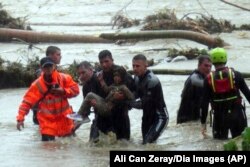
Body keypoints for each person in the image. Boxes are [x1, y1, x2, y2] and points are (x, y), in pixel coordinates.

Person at [16, 57, 79, 141]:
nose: (48, 69)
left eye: (50, 66)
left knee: (68, 148)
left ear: (54, 66)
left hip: (65, 120)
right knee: (48, 149)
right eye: (46, 67)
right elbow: (27, 102)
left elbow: (76, 91)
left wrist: (63, 91)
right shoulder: (37, 84)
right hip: (47, 122)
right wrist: (20, 119)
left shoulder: (64, 78)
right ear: (42, 68)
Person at [201, 47, 250, 139]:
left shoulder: (208, 79)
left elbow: (204, 104)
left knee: (218, 145)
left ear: (212, 61)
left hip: (219, 117)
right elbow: (248, 95)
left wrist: (203, 123)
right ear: (225, 59)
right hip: (237, 115)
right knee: (240, 143)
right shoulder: (237, 75)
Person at [68, 66, 134, 120]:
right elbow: (106, 89)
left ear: (122, 77)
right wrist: (101, 80)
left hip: (108, 109)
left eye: (118, 76)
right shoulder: (114, 85)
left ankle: (81, 115)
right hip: (105, 102)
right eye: (115, 76)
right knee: (90, 95)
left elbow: (132, 98)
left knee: (90, 95)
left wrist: (123, 97)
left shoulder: (123, 87)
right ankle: (82, 115)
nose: (116, 78)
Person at [96, 50, 135, 140]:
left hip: (120, 115)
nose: (104, 65)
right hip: (103, 115)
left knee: (123, 144)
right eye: (101, 62)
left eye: (106, 61)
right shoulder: (98, 74)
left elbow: (134, 93)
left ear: (112, 60)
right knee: (99, 146)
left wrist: (124, 97)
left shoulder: (122, 72)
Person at [132, 54, 169, 144]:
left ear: (146, 65)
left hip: (160, 117)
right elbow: (135, 95)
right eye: (133, 66)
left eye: (138, 66)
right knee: (145, 144)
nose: (135, 69)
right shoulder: (136, 78)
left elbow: (143, 104)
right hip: (146, 116)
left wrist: (126, 102)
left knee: (148, 143)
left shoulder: (152, 81)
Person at [177, 55, 212, 124]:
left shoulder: (201, 77)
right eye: (205, 65)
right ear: (198, 65)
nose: (208, 68)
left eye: (210, 66)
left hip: (194, 118)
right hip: (186, 120)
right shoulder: (195, 79)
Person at [32, 46, 62, 124]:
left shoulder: (55, 70)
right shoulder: (42, 72)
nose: (60, 57)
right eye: (58, 54)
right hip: (41, 109)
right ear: (50, 56)